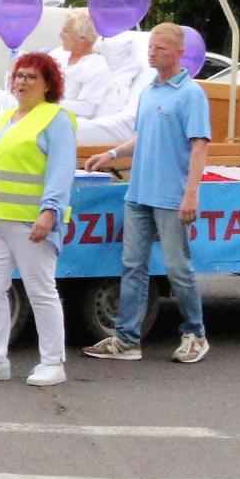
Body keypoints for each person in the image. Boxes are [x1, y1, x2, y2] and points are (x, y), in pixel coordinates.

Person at [84, 23, 212, 364]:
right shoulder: (150, 91)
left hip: (170, 197)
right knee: (133, 267)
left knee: (177, 267)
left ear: (179, 53)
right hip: (139, 193)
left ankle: (195, 334)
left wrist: (191, 194)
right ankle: (127, 339)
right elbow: (142, 136)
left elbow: (199, 145)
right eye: (151, 47)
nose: (153, 53)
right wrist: (111, 154)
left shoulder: (190, 94)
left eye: (161, 48)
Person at [0, 52, 77, 388]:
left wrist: (50, 211)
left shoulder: (55, 119)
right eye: (19, 76)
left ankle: (52, 362)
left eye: (31, 77)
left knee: (41, 292)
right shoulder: (2, 119)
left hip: (31, 223)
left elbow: (61, 169)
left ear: (47, 85)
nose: (22, 82)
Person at [50, 11, 117, 121]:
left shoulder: (97, 67)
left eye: (65, 31)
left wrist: (48, 101)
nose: (60, 35)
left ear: (82, 37)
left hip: (61, 117)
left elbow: (87, 108)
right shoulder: (57, 54)